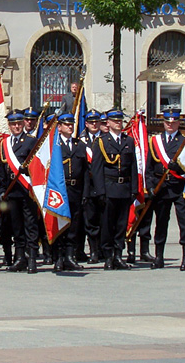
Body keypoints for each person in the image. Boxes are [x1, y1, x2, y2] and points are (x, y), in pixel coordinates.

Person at [144, 108, 185, 269]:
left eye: (173, 122)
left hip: (179, 187)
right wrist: (150, 186)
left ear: (178, 123)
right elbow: (149, 168)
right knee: (161, 222)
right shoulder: (155, 141)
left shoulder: (184, 142)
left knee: (184, 222)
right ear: (163, 123)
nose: (170, 125)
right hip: (162, 187)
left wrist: (177, 167)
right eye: (167, 122)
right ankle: (159, 257)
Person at [90, 109, 138, 270]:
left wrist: (134, 189)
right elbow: (97, 169)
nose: (118, 123)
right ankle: (108, 255)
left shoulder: (128, 141)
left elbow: (133, 166)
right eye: (115, 121)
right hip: (109, 188)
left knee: (121, 224)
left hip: (124, 188)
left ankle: (119, 254)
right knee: (107, 224)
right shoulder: (102, 141)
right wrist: (100, 191)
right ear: (108, 123)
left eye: (120, 120)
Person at [1, 111, 40, 273]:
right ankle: (19, 258)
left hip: (27, 189)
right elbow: (3, 169)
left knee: (30, 224)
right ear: (9, 126)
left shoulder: (31, 141)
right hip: (12, 190)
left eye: (19, 124)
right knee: (16, 225)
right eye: (13, 124)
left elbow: (38, 165)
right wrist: (2, 190)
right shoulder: (5, 143)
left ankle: (31, 258)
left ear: (23, 124)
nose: (16, 127)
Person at [54, 113, 89, 272]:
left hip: (76, 189)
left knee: (74, 225)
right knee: (59, 224)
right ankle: (58, 257)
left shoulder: (79, 145)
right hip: (60, 190)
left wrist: (85, 193)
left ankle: (70, 256)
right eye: (66, 124)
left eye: (71, 124)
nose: (70, 126)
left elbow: (86, 172)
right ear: (59, 127)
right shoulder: (54, 145)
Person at [79, 110, 103, 262]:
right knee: (89, 220)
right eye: (91, 122)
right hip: (87, 185)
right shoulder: (81, 141)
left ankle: (103, 250)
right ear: (86, 124)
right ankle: (93, 251)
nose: (94, 124)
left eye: (96, 122)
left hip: (103, 185)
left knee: (104, 220)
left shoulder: (105, 139)